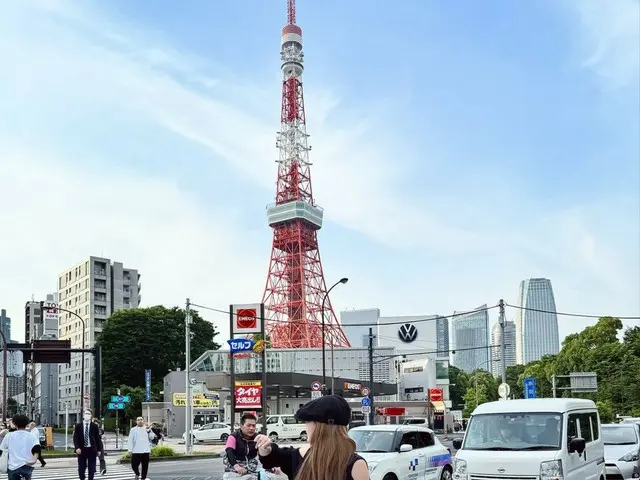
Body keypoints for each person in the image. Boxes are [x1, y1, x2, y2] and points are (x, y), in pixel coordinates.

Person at [256, 395, 369, 480]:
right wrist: (265, 449)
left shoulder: (355, 464)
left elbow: (276, 457)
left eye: (307, 422)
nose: (306, 428)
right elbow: (273, 457)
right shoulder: (355, 463)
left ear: (317, 426)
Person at [223, 413, 282, 479]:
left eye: (253, 426)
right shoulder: (233, 437)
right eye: (248, 425)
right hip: (235, 469)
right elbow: (229, 452)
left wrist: (273, 465)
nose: (251, 428)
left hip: (252, 468)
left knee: (271, 477)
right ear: (241, 426)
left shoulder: (258, 437)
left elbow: (266, 453)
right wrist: (236, 466)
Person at [0, 414, 41, 480]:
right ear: (27, 424)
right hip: (27, 465)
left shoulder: (9, 435)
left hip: (13, 467)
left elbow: (1, 449)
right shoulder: (32, 436)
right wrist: (34, 459)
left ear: (14, 423)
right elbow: (37, 448)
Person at [73, 408, 103, 480]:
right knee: (81, 468)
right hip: (81, 450)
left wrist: (99, 450)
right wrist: (77, 448)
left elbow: (97, 439)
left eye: (89, 414)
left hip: (91, 450)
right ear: (83, 415)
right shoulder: (78, 426)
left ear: (91, 416)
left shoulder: (94, 426)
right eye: (86, 413)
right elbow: (75, 438)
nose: (87, 415)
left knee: (91, 468)